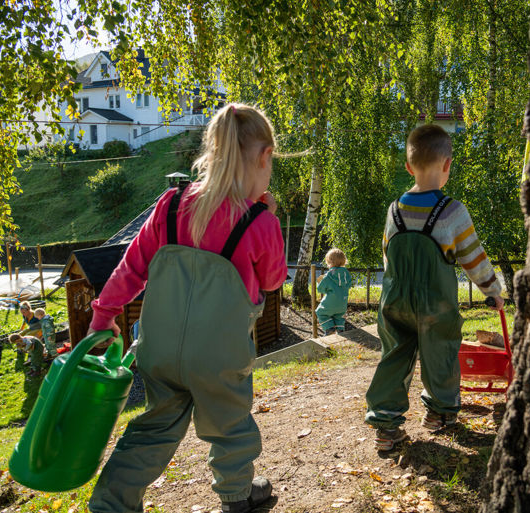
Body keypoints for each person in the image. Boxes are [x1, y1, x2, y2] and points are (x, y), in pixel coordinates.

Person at [86, 103, 287, 513]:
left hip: (158, 350)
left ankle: (111, 503)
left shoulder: (171, 204)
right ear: (265, 157)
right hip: (218, 356)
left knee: (152, 429)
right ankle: (236, 495)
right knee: (229, 425)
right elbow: (272, 281)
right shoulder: (259, 221)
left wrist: (103, 314)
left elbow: (132, 267)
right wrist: (268, 220)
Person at [364, 124, 505, 451]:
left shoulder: (394, 210)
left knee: (394, 357)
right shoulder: (452, 211)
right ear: (447, 165)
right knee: (440, 354)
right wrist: (492, 291)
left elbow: (387, 255)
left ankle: (385, 426)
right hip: (435, 304)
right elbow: (473, 257)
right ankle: (438, 414)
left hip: (394, 300)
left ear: (408, 167)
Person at [315, 248, 353, 335]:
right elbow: (349, 285)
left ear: (330, 262)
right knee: (339, 316)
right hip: (342, 303)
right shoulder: (347, 274)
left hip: (330, 303)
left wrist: (319, 281)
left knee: (320, 312)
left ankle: (329, 328)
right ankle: (340, 330)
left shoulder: (329, 275)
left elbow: (320, 289)